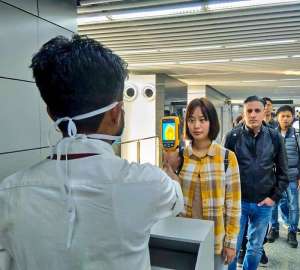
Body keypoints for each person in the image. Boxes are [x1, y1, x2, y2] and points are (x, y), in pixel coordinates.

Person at [0, 35, 184, 270]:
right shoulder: (147, 182)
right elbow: (176, 198)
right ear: (116, 113)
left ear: (50, 114)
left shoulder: (9, 193)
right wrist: (171, 169)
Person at [165, 97, 241, 270]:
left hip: (215, 241)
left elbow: (233, 205)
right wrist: (169, 169)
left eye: (202, 119)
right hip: (183, 238)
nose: (196, 126)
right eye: (191, 120)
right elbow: (167, 199)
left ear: (211, 122)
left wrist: (231, 242)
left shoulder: (227, 158)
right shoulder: (179, 157)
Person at [225, 96, 289, 270]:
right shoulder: (232, 137)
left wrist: (273, 197)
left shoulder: (274, 137)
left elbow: (284, 173)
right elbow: (225, 172)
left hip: (263, 204)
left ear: (264, 113)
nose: (253, 114)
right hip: (238, 204)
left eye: (257, 111)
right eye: (249, 111)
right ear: (244, 113)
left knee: (255, 249)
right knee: (232, 247)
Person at [267, 106, 300, 248]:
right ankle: (274, 229)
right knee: (272, 204)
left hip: (292, 176)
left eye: (288, 116)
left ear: (293, 117)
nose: (285, 119)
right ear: (277, 118)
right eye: (282, 116)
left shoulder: (299, 135)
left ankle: (292, 231)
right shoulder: (271, 134)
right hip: (274, 176)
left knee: (293, 206)